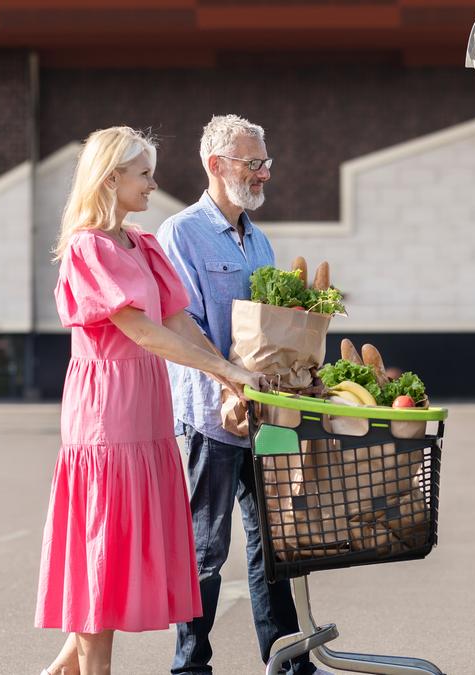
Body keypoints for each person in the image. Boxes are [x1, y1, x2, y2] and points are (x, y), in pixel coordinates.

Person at [34, 125, 266, 675]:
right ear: (110, 177)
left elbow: (177, 318)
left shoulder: (142, 243)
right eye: (143, 174)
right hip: (107, 414)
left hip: (144, 409)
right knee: (102, 553)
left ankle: (67, 665)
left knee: (110, 552)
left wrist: (229, 375)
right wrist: (223, 369)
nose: (153, 183)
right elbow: (140, 330)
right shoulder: (88, 246)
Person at [158, 115, 329, 675]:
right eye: (252, 163)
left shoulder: (260, 239)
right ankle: (191, 666)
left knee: (274, 544)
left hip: (267, 416)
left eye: (266, 164)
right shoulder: (181, 233)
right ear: (216, 164)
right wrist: (231, 379)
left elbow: (271, 332)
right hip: (211, 417)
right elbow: (184, 323)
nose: (263, 174)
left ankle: (284, 660)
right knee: (206, 552)